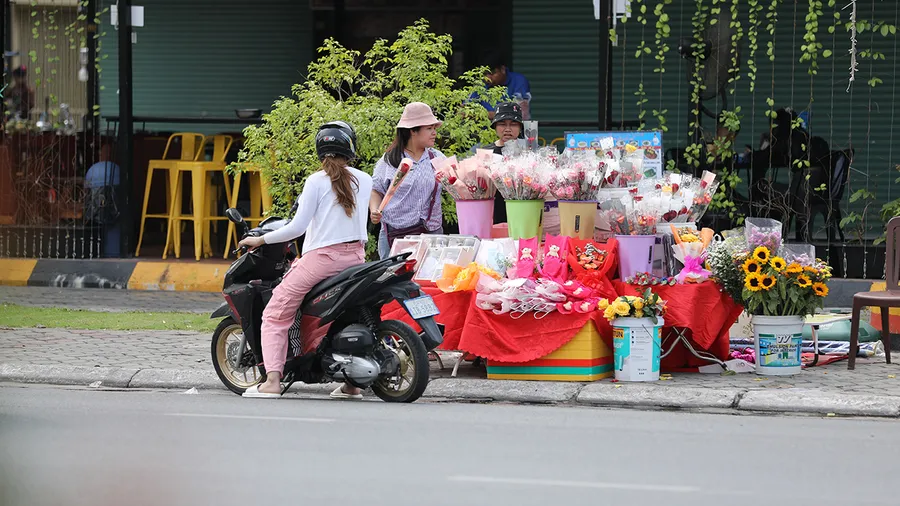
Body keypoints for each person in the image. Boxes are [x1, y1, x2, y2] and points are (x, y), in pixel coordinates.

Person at [239, 121, 372, 400]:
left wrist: (260, 240)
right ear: (350, 147)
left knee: (275, 312)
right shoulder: (365, 179)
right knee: (347, 314)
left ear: (320, 149)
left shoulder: (316, 181)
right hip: (356, 259)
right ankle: (352, 384)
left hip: (322, 260)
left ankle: (273, 380)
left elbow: (296, 228)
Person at [370, 102, 446, 260]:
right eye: (429, 128)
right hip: (396, 235)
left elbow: (455, 183)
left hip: (431, 233)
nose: (434, 133)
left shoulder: (437, 158)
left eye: (434, 128)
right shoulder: (390, 160)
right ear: (413, 131)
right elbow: (376, 190)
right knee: (394, 282)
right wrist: (374, 210)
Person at [485, 102, 525, 223]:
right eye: (502, 124)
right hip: (494, 213)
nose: (508, 129)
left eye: (513, 124)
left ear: (520, 127)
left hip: (524, 211)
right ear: (495, 127)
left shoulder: (529, 151)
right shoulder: (486, 152)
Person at [476, 52, 532, 121]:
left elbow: (521, 114)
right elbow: (464, 111)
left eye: (492, 73)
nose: (487, 78)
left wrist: (485, 114)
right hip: (484, 131)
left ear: (502, 69)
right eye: (485, 74)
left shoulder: (518, 81)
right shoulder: (480, 85)